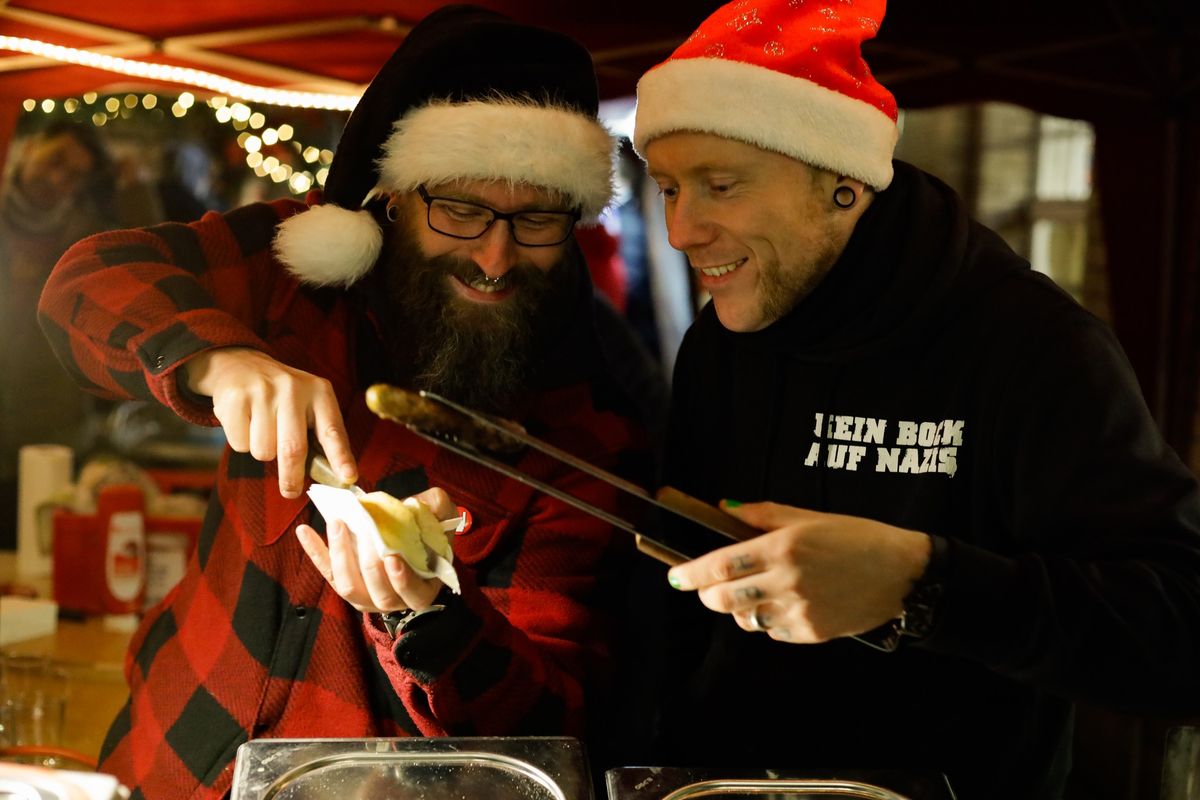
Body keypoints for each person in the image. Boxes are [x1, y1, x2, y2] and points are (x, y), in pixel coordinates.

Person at [39, 7, 663, 799]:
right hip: (163, 754)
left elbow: (548, 724)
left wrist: (429, 617)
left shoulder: (589, 436)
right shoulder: (299, 269)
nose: (496, 257)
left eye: (536, 219)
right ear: (397, 196)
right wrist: (216, 359)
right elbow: (83, 285)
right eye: (462, 211)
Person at [630, 1, 1200, 798]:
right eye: (667, 188)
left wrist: (922, 584)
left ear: (843, 185)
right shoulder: (725, 342)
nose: (682, 230)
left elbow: (1180, 628)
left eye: (720, 186)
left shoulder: (1031, 345)